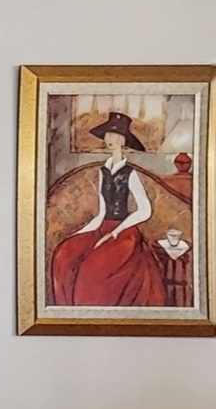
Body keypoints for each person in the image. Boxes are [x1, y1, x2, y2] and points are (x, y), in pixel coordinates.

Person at [48, 112, 166, 307]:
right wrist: (80, 233)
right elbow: (102, 212)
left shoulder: (130, 173)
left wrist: (115, 232)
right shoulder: (103, 172)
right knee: (64, 254)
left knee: (94, 269)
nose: (110, 139)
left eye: (115, 135)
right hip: (103, 226)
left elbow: (145, 210)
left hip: (125, 233)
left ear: (124, 140)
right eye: (108, 134)